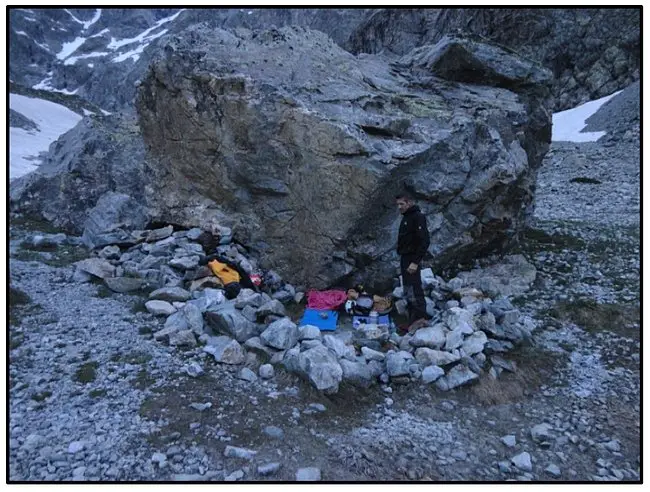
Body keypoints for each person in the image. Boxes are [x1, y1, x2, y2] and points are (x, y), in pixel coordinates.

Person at [396, 191, 430, 334]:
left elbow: (424, 241)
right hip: (405, 257)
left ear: (409, 203)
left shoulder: (417, 217)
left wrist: (415, 262)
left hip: (411, 258)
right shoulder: (406, 218)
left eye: (402, 204)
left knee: (415, 288)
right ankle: (412, 320)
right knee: (407, 289)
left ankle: (421, 318)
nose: (399, 207)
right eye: (398, 204)